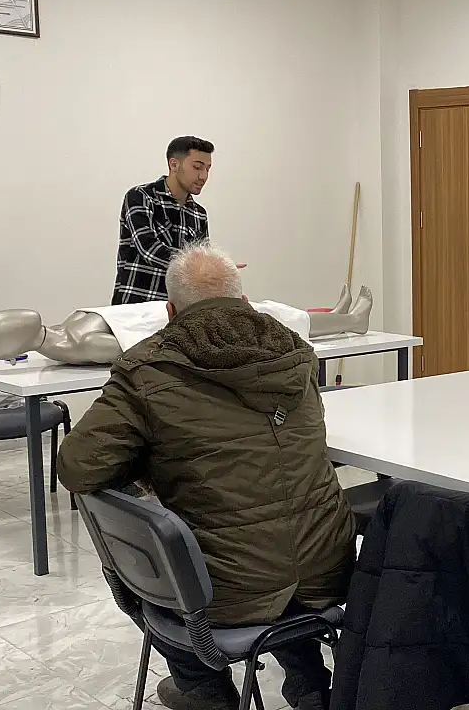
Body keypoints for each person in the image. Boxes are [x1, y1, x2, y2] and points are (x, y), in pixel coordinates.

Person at [58, 244, 357, 710]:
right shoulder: (297, 353)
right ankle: (310, 685)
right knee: (280, 538)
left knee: (159, 554)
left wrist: (150, 463)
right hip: (331, 570)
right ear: (244, 301)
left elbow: (77, 466)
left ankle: (204, 691)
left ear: (170, 311)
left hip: (222, 596)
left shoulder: (148, 369)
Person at [0, 283, 374, 365]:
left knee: (271, 309)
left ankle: (336, 316)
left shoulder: (68, 327)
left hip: (177, 307)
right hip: (185, 318)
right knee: (273, 317)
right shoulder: (76, 345)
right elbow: (146, 344)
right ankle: (350, 320)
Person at [113, 136, 217, 305]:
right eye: (197, 167)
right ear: (174, 165)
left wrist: (217, 270)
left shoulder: (199, 214)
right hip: (136, 306)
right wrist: (204, 266)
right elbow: (149, 249)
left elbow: (201, 261)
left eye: (208, 169)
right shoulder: (141, 197)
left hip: (178, 310)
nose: (203, 176)